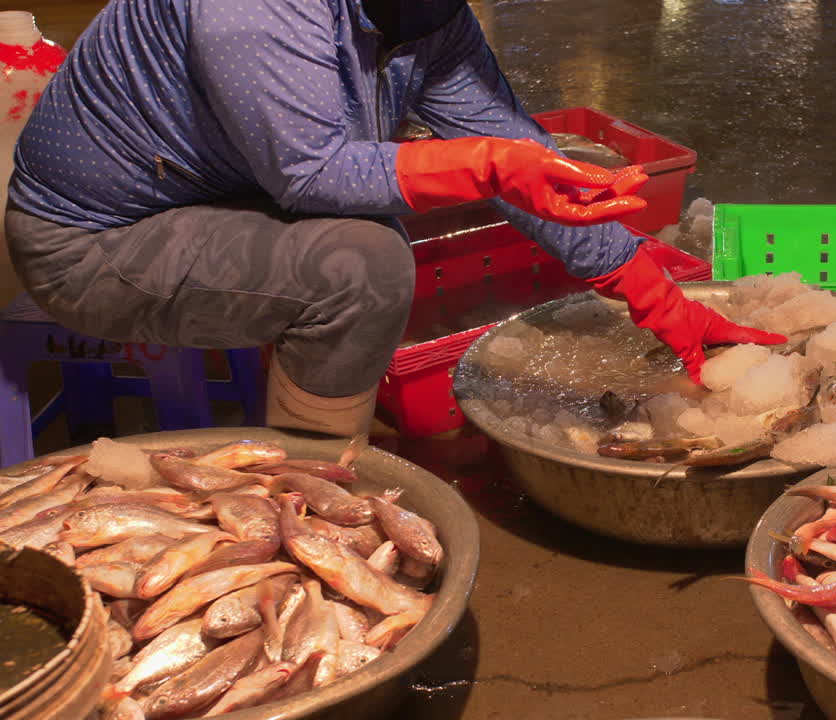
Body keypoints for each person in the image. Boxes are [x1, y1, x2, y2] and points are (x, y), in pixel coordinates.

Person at [6, 0, 785, 437]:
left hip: (220, 198)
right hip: (95, 243)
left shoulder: (425, 11)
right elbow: (312, 172)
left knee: (396, 207)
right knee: (365, 264)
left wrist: (652, 289)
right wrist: (484, 166)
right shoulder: (252, 9)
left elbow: (512, 143)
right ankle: (309, 496)